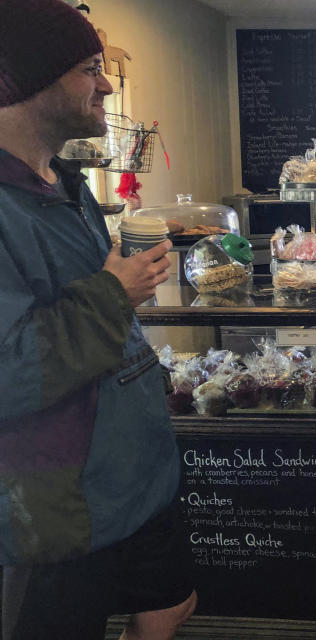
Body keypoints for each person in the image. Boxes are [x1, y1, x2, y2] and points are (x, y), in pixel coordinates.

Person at [0, 1, 196, 638]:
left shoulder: (64, 181)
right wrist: (115, 292)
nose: (107, 83)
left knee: (170, 605)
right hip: (58, 501)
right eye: (89, 68)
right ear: (30, 81)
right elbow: (9, 370)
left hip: (137, 470)